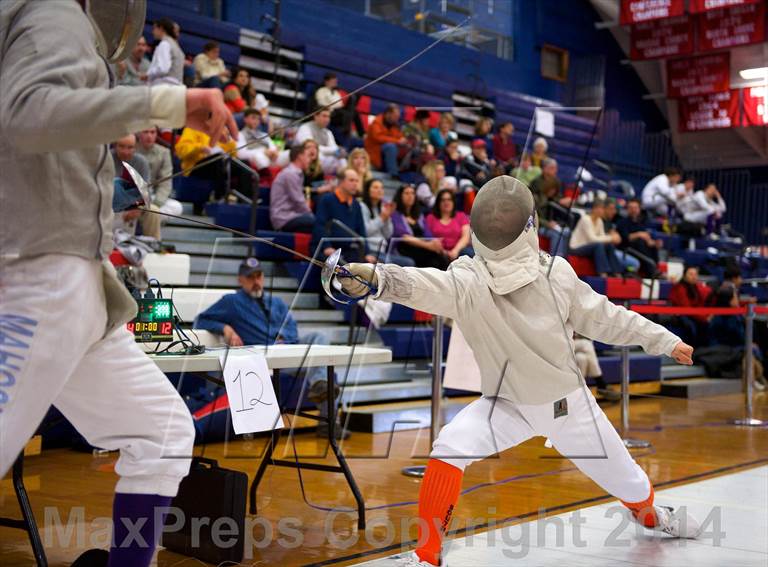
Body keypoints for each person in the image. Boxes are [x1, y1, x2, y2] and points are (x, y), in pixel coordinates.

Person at [339, 176, 699, 567]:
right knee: (450, 446)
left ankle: (653, 516)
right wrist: (377, 279)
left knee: (628, 482)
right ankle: (428, 556)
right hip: (506, 402)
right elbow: (423, 284)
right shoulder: (471, 278)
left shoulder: (540, 276)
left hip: (567, 408)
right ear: (531, 227)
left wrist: (379, 278)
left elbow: (605, 317)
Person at [0, 1, 237, 565]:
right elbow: (31, 113)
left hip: (76, 287)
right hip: (37, 274)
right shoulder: (53, 11)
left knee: (161, 432)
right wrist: (169, 100)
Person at [194, 258, 349, 437]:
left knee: (319, 338)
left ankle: (321, 395)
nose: (255, 281)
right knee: (322, 367)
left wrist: (284, 338)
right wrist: (225, 328)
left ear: (263, 277)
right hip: (263, 358)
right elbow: (201, 319)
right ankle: (325, 408)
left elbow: (292, 328)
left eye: (258, 276)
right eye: (250, 277)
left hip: (288, 352)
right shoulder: (231, 302)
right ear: (240, 280)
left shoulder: (277, 302)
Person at [311, 168, 377, 263]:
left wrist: (367, 253)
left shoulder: (356, 204)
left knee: (371, 266)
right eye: (351, 180)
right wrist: (327, 246)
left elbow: (361, 231)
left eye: (357, 181)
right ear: (341, 181)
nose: (355, 184)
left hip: (348, 250)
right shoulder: (327, 199)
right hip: (327, 248)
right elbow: (319, 226)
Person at [708, 283, 766, 390]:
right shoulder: (720, 318)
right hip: (723, 349)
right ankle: (753, 381)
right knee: (749, 353)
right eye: (735, 298)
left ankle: (757, 378)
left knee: (752, 351)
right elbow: (734, 337)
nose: (737, 300)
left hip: (735, 347)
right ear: (729, 300)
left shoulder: (736, 315)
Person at [175, 125, 237, 213]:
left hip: (217, 165)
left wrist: (228, 140)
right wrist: (200, 148)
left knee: (241, 164)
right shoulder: (192, 128)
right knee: (217, 159)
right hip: (195, 166)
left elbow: (233, 154)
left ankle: (247, 200)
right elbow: (181, 150)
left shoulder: (220, 129)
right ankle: (219, 196)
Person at [135, 128, 183, 239]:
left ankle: (147, 216)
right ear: (139, 134)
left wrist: (156, 203)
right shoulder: (131, 149)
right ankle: (147, 217)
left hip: (153, 198)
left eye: (152, 132)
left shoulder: (164, 152)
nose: (149, 136)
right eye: (145, 132)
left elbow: (166, 182)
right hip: (133, 198)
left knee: (177, 207)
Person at [391, 184, 449, 270]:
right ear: (400, 196)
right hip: (404, 248)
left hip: (422, 247)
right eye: (406, 193)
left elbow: (428, 234)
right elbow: (404, 237)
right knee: (434, 260)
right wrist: (428, 245)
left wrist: (435, 243)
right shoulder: (395, 214)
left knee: (441, 257)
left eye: (412, 193)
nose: (410, 196)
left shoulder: (419, 215)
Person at [360, 178, 415, 266]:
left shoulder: (381, 208)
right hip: (370, 250)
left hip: (382, 251)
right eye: (375, 187)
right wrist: (382, 218)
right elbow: (366, 231)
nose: (379, 190)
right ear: (367, 190)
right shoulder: (362, 207)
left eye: (381, 188)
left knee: (409, 262)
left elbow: (388, 234)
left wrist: (387, 218)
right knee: (408, 263)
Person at [569, 199, 624, 277]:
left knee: (609, 246)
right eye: (602, 209)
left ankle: (617, 272)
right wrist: (611, 238)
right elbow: (592, 239)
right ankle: (603, 273)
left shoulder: (599, 221)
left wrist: (610, 239)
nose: (603, 211)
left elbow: (602, 237)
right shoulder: (585, 219)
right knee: (598, 245)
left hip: (589, 246)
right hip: (576, 247)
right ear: (595, 209)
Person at [270, 143, 315, 233]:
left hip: (293, 216)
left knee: (320, 225)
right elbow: (298, 200)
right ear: (300, 157)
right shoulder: (290, 174)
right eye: (307, 156)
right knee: (318, 224)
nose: (310, 160)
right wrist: (311, 215)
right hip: (283, 218)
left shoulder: (296, 174)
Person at [530, 158, 569, 257]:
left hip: (550, 219)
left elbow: (555, 199)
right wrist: (548, 224)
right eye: (552, 168)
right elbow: (534, 215)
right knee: (556, 233)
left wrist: (561, 201)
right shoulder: (536, 191)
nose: (554, 171)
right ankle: (555, 259)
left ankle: (564, 259)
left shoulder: (556, 182)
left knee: (566, 231)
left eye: (555, 168)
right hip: (539, 224)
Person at [616, 198, 662, 277]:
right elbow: (625, 238)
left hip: (639, 249)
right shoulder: (622, 222)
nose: (633, 210)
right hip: (626, 249)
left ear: (639, 209)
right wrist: (639, 234)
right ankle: (651, 271)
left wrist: (653, 243)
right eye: (631, 208)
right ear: (627, 209)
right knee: (639, 242)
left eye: (635, 208)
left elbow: (647, 238)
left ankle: (655, 268)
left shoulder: (641, 223)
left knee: (652, 246)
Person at [669, 265, 712, 347]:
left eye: (695, 274)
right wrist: (704, 318)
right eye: (691, 274)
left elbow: (699, 304)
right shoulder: (680, 287)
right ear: (685, 276)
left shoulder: (695, 287)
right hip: (681, 314)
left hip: (693, 313)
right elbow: (686, 308)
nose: (694, 277)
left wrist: (705, 316)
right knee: (693, 326)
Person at [295, 109, 347, 175]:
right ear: (315, 116)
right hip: (302, 158)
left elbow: (334, 148)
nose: (327, 119)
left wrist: (338, 152)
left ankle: (343, 180)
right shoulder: (305, 128)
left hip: (321, 160)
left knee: (342, 160)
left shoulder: (328, 132)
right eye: (324, 116)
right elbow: (310, 148)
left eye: (328, 117)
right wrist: (335, 150)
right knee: (318, 155)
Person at [425, 189, 472, 260]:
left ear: (453, 202)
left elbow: (465, 237)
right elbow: (428, 238)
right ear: (438, 203)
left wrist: (455, 250)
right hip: (438, 252)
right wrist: (443, 252)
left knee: (470, 253)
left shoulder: (461, 216)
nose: (446, 202)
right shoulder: (430, 218)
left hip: (459, 250)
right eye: (443, 200)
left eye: (449, 199)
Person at [574, 335, 621, 402]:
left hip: (577, 348)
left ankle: (580, 392)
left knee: (581, 358)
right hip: (563, 343)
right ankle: (600, 383)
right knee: (586, 344)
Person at [364, 103, 405, 176]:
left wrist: (403, 140)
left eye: (398, 117)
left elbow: (399, 137)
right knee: (390, 147)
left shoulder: (395, 126)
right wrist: (397, 141)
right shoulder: (376, 122)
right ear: (388, 114)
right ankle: (394, 174)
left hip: (385, 154)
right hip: (374, 151)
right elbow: (378, 137)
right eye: (395, 116)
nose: (397, 119)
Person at [603, 199, 641, 273]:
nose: (614, 212)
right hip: (607, 250)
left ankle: (622, 273)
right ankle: (622, 273)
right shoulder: (600, 220)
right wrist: (611, 237)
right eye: (611, 209)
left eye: (614, 209)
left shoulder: (609, 222)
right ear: (604, 209)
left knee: (636, 263)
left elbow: (618, 239)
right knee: (635, 264)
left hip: (612, 249)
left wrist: (611, 237)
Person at [146, 17, 184, 86]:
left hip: (164, 86)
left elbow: (163, 69)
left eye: (154, 28)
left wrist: (147, 74)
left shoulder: (165, 44)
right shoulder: (177, 47)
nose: (152, 32)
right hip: (176, 87)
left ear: (161, 28)